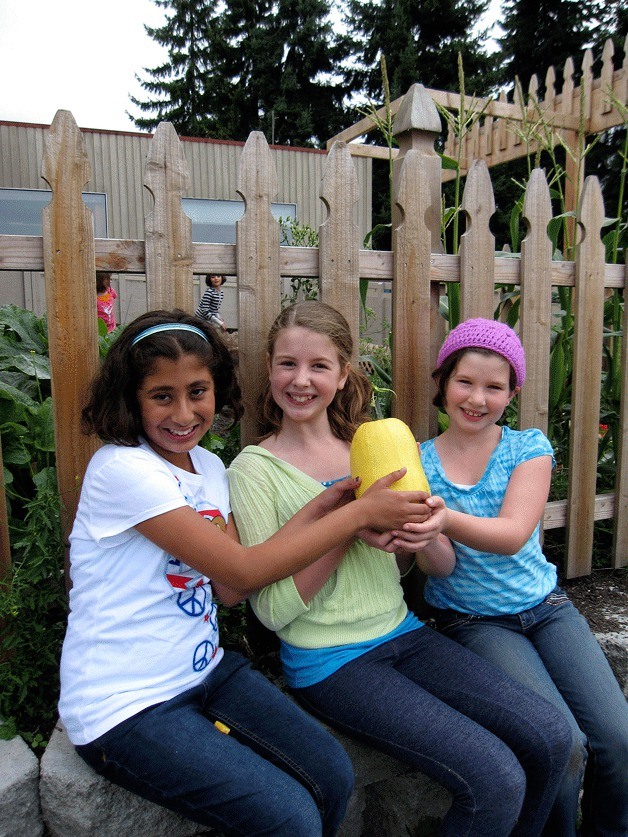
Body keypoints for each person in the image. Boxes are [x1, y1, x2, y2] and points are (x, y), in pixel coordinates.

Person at [59, 308, 433, 836]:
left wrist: (325, 506)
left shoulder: (208, 468)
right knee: (290, 820)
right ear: (131, 399)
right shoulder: (123, 472)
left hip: (205, 672)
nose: (183, 412)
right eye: (162, 396)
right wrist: (358, 515)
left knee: (331, 775)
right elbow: (243, 565)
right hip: (126, 708)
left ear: (218, 390)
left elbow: (232, 588)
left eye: (198, 391)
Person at [228, 300, 572, 837]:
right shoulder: (254, 470)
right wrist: (348, 525)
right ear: (269, 369)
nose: (301, 380)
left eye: (319, 366)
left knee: (551, 737)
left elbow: (426, 565)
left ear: (342, 376)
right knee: (496, 779)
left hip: (404, 636)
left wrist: (426, 534)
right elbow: (272, 613)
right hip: (332, 661)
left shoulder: (371, 448)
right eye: (287, 364)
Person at [419, 317, 628, 837]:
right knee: (563, 745)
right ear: (443, 383)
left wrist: (442, 517)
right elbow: (440, 566)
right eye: (465, 382)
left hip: (546, 610)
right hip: (472, 621)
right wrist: (423, 536)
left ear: (512, 393)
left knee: (619, 738)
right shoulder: (419, 463)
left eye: (495, 387)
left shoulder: (527, 448)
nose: (477, 398)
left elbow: (514, 533)